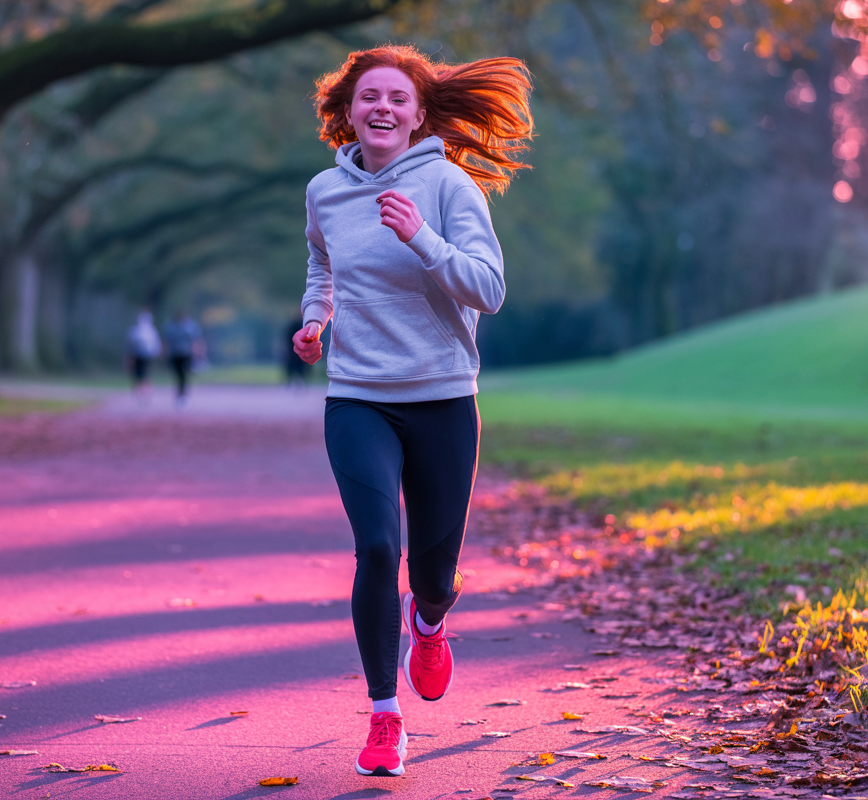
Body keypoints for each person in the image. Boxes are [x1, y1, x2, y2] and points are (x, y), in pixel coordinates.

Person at [292, 45, 533, 777]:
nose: (384, 109)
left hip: (442, 400)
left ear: (419, 112)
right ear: (349, 112)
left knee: (432, 574)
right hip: (358, 398)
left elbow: (488, 289)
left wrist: (420, 238)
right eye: (370, 98)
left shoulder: (450, 186)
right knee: (375, 549)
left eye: (398, 98)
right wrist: (314, 317)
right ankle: (384, 717)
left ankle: (430, 621)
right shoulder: (323, 191)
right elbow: (321, 259)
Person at [162, 309, 204, 406]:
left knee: (185, 375)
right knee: (178, 375)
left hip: (187, 354)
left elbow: (196, 341)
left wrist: (198, 353)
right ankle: (179, 394)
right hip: (175, 355)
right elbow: (166, 341)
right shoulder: (170, 327)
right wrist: (165, 353)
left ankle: (184, 395)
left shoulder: (191, 326)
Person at [126, 309, 162, 397]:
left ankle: (143, 389)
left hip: (142, 355)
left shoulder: (139, 330)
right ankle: (144, 389)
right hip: (142, 355)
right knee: (143, 372)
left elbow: (131, 343)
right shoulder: (147, 330)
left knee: (141, 372)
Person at [283, 316, 313, 385]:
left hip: (297, 351)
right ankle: (293, 381)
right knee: (297, 366)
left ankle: (297, 381)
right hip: (296, 351)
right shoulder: (299, 326)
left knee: (298, 366)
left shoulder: (296, 326)